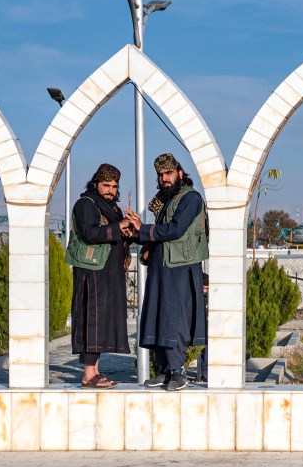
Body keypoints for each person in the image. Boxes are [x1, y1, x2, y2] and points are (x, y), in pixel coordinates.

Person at [125, 153, 208, 391]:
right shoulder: (168, 200)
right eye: (160, 175)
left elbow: (176, 229)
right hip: (162, 267)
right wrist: (138, 232)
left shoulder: (190, 198)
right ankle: (165, 370)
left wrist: (144, 229)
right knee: (158, 317)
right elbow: (160, 232)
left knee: (175, 318)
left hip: (179, 267)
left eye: (168, 173)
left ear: (180, 174)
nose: (164, 179)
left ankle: (178, 371)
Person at [66, 163, 133, 389]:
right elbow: (89, 232)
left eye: (114, 187)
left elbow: (114, 232)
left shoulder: (111, 208)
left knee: (102, 322)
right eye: (106, 185)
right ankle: (88, 374)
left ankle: (94, 371)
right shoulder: (87, 204)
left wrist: (129, 231)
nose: (111, 191)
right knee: (91, 320)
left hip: (107, 272)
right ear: (96, 183)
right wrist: (119, 226)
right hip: (91, 272)